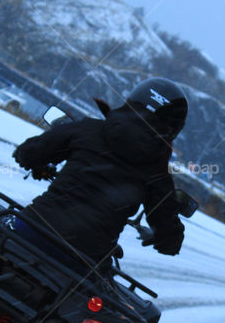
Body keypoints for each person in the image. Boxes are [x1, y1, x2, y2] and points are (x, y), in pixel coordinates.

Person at [12, 78, 188, 274]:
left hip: (34, 229)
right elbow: (169, 241)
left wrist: (39, 165)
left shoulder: (88, 129)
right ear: (173, 129)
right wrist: (165, 238)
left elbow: (27, 153)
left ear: (132, 99)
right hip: (81, 261)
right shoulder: (157, 173)